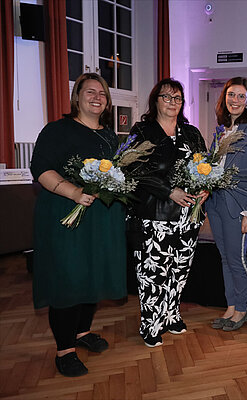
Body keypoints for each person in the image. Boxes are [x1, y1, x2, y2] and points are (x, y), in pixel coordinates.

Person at [30, 73, 126, 377]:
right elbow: (41, 169)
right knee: (67, 278)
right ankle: (64, 350)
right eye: (90, 92)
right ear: (77, 96)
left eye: (102, 93)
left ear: (108, 102)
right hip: (65, 215)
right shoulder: (58, 130)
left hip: (100, 218)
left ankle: (82, 332)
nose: (96, 97)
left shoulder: (110, 136)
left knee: (92, 274)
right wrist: (73, 192)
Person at [126, 78, 208, 347]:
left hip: (188, 214)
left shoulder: (192, 133)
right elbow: (133, 171)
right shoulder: (142, 131)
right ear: (155, 100)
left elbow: (205, 166)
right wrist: (168, 191)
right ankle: (150, 324)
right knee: (153, 272)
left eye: (178, 98)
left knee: (180, 268)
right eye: (167, 97)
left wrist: (205, 189)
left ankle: (171, 314)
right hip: (154, 213)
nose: (173, 103)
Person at [205, 77, 247, 331]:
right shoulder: (221, 129)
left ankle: (242, 310)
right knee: (225, 258)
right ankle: (230, 307)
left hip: (238, 204)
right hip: (216, 202)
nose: (235, 100)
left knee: (237, 259)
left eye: (241, 96)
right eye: (231, 95)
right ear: (224, 97)